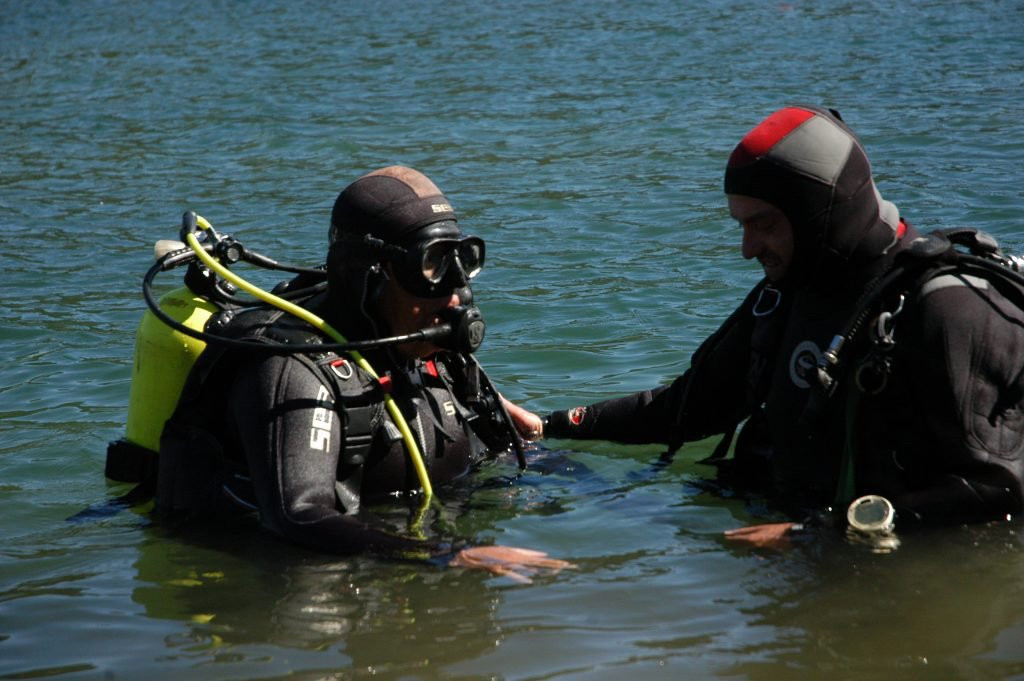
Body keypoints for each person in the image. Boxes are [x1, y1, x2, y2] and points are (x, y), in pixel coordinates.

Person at [516, 105, 1024, 545]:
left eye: (765, 224)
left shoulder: (944, 311)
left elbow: (998, 492)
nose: (748, 249)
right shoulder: (787, 294)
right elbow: (686, 409)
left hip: (890, 573)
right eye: (742, 225)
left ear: (822, 213)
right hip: (795, 543)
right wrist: (551, 426)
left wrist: (821, 534)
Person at [152, 165, 571, 578]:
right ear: (370, 276)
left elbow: (507, 451)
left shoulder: (426, 345)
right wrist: (450, 555)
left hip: (410, 553)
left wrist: (607, 503)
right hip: (297, 586)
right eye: (433, 263)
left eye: (460, 258)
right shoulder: (290, 368)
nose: (457, 291)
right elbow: (299, 516)